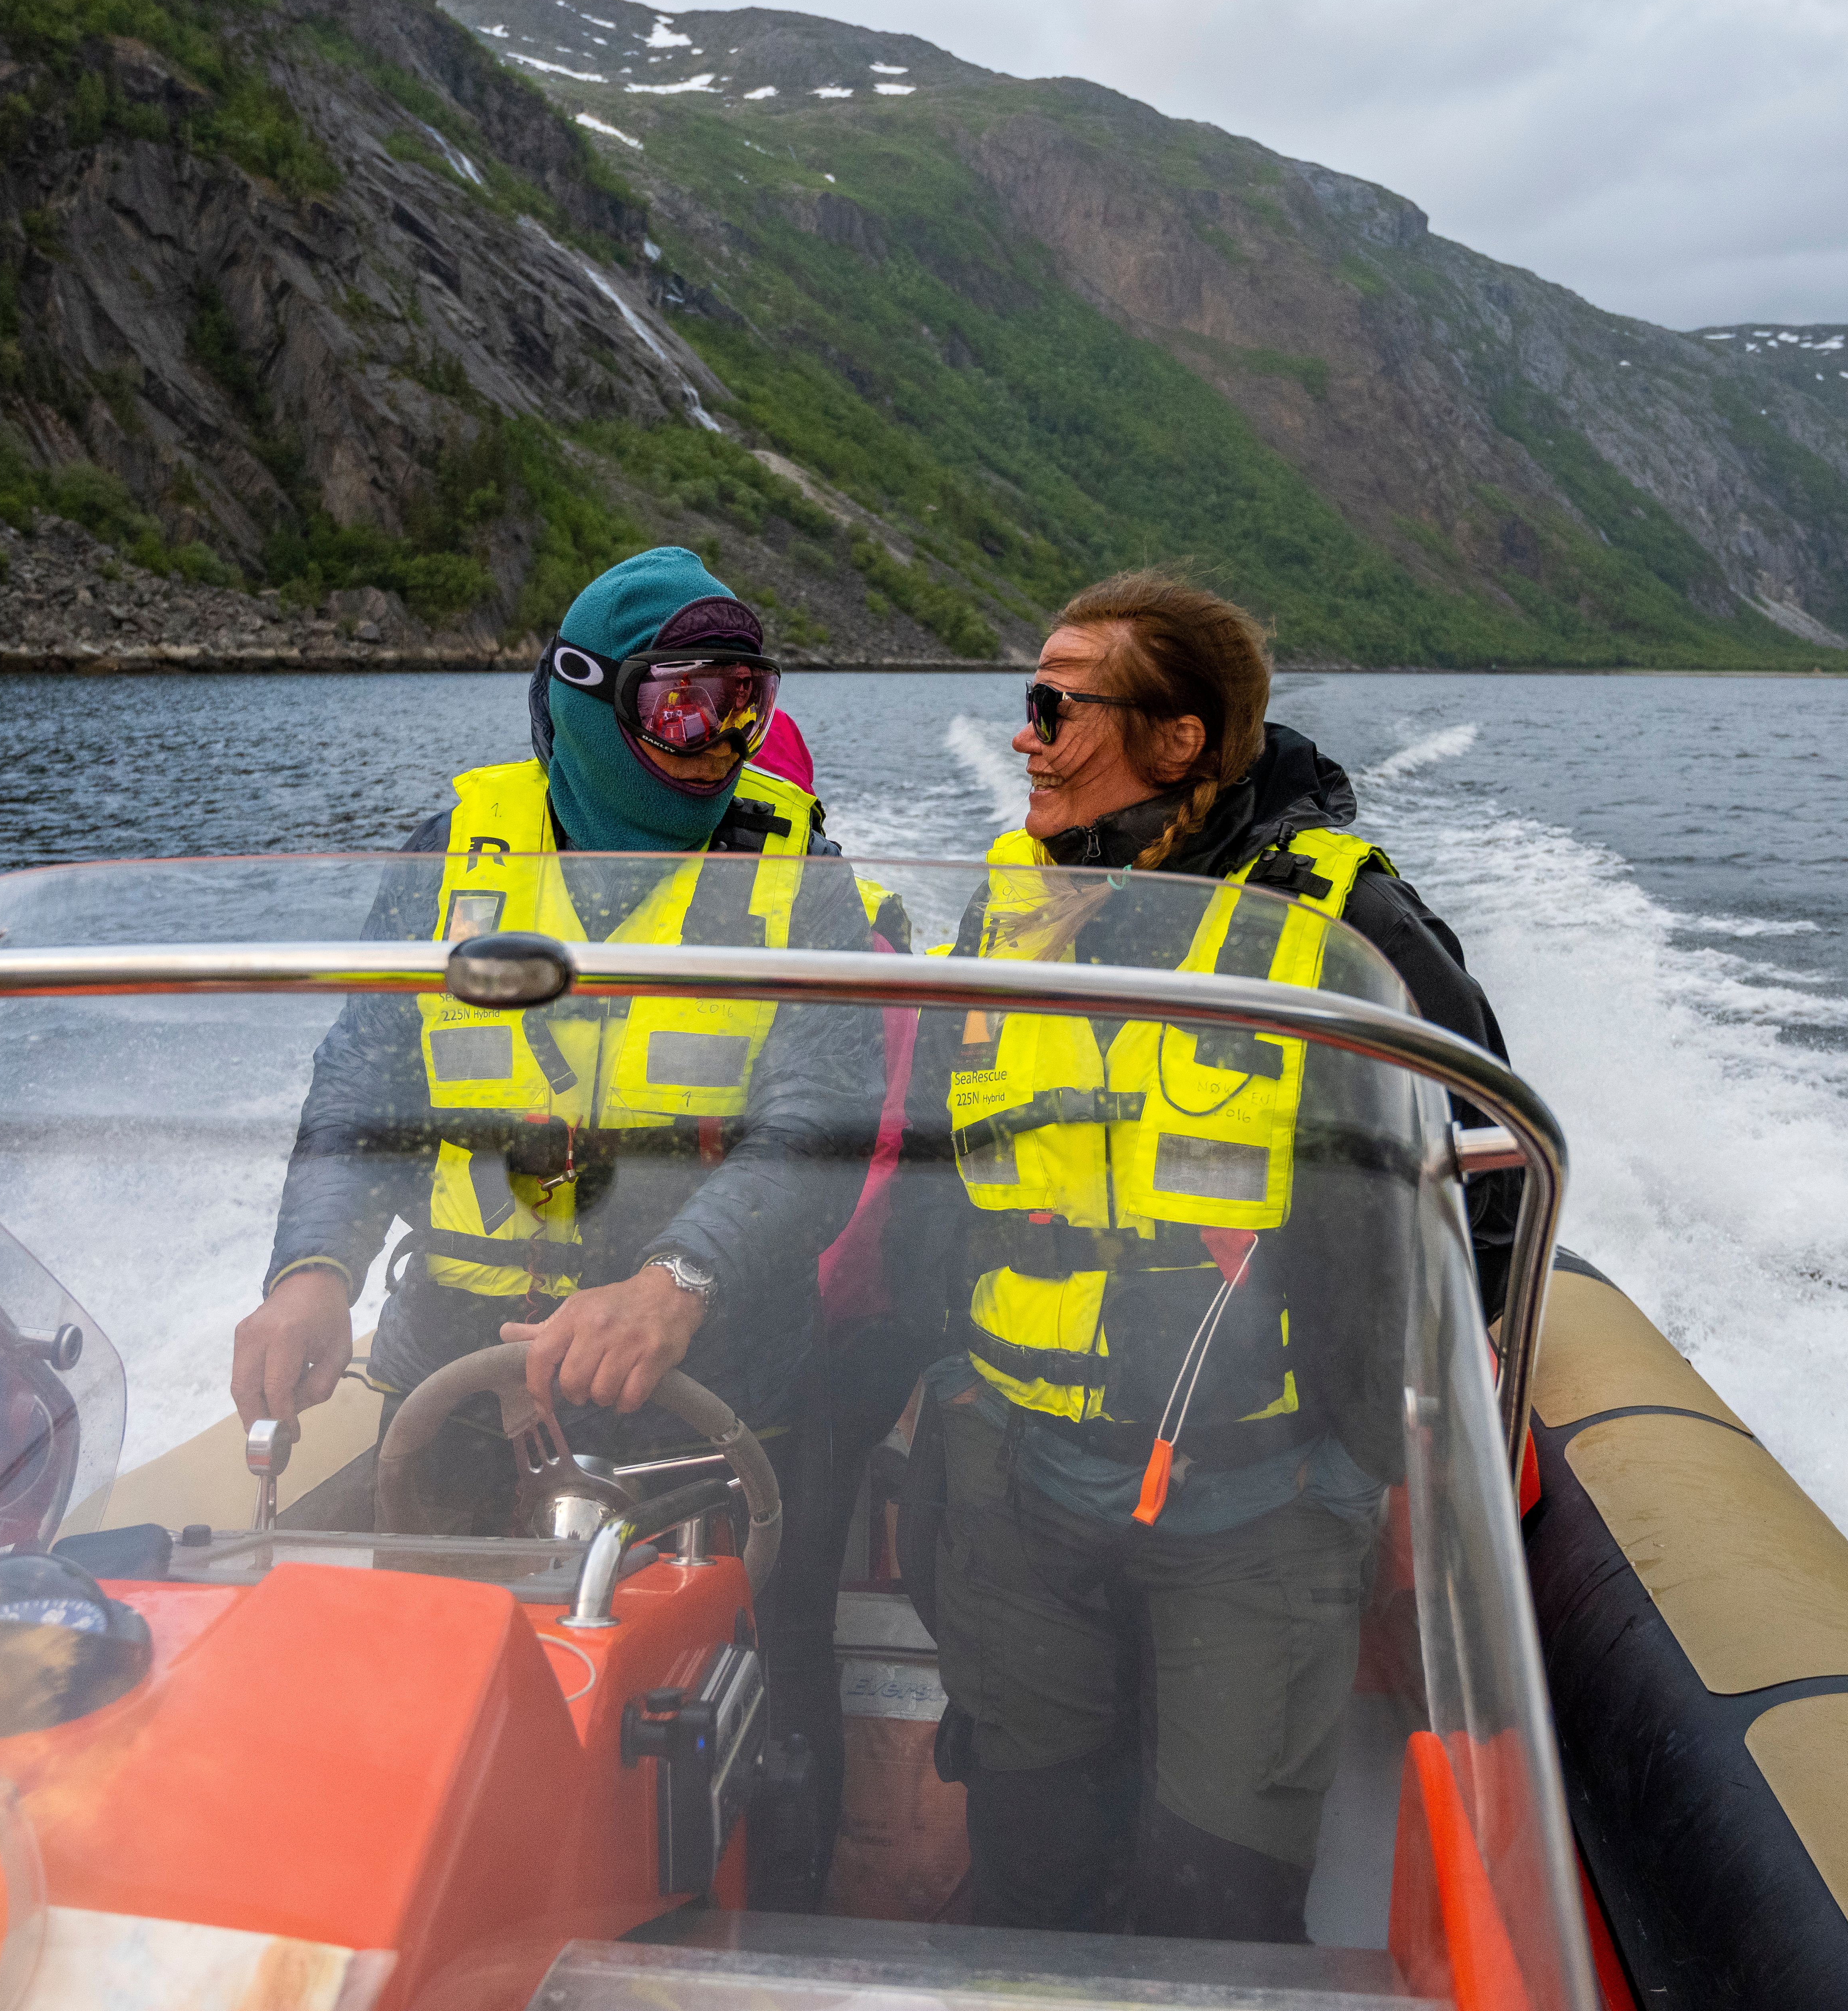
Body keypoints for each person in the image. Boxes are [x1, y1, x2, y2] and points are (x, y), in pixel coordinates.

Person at [888, 569, 1510, 1943]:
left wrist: (1422, 1433)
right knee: (1029, 1867)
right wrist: (940, 1384)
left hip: (1262, 1496)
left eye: (1057, 706)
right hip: (1021, 1478)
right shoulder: (1000, 908)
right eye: (1027, 702)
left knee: (1219, 1901)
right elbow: (933, 1168)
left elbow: (1486, 1163)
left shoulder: (1340, 924)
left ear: (1179, 740)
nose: (1026, 736)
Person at [231, 547, 881, 1549]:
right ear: (589, 697)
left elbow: (821, 1121)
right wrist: (312, 1270)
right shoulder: (449, 856)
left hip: (708, 1388)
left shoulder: (806, 883)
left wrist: (679, 1281)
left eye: (745, 706)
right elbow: (365, 1080)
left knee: (731, 1643)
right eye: (685, 707)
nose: (720, 743)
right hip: (457, 1378)